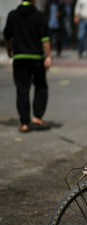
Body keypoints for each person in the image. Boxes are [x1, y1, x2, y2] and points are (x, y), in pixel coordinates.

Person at [4, 0, 51, 133]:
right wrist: (48, 56)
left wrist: (9, 50)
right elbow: (45, 39)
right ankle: (37, 117)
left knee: (22, 90)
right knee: (41, 87)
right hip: (36, 58)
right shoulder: (39, 16)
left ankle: (24, 123)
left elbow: (7, 36)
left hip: (19, 58)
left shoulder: (12, 15)